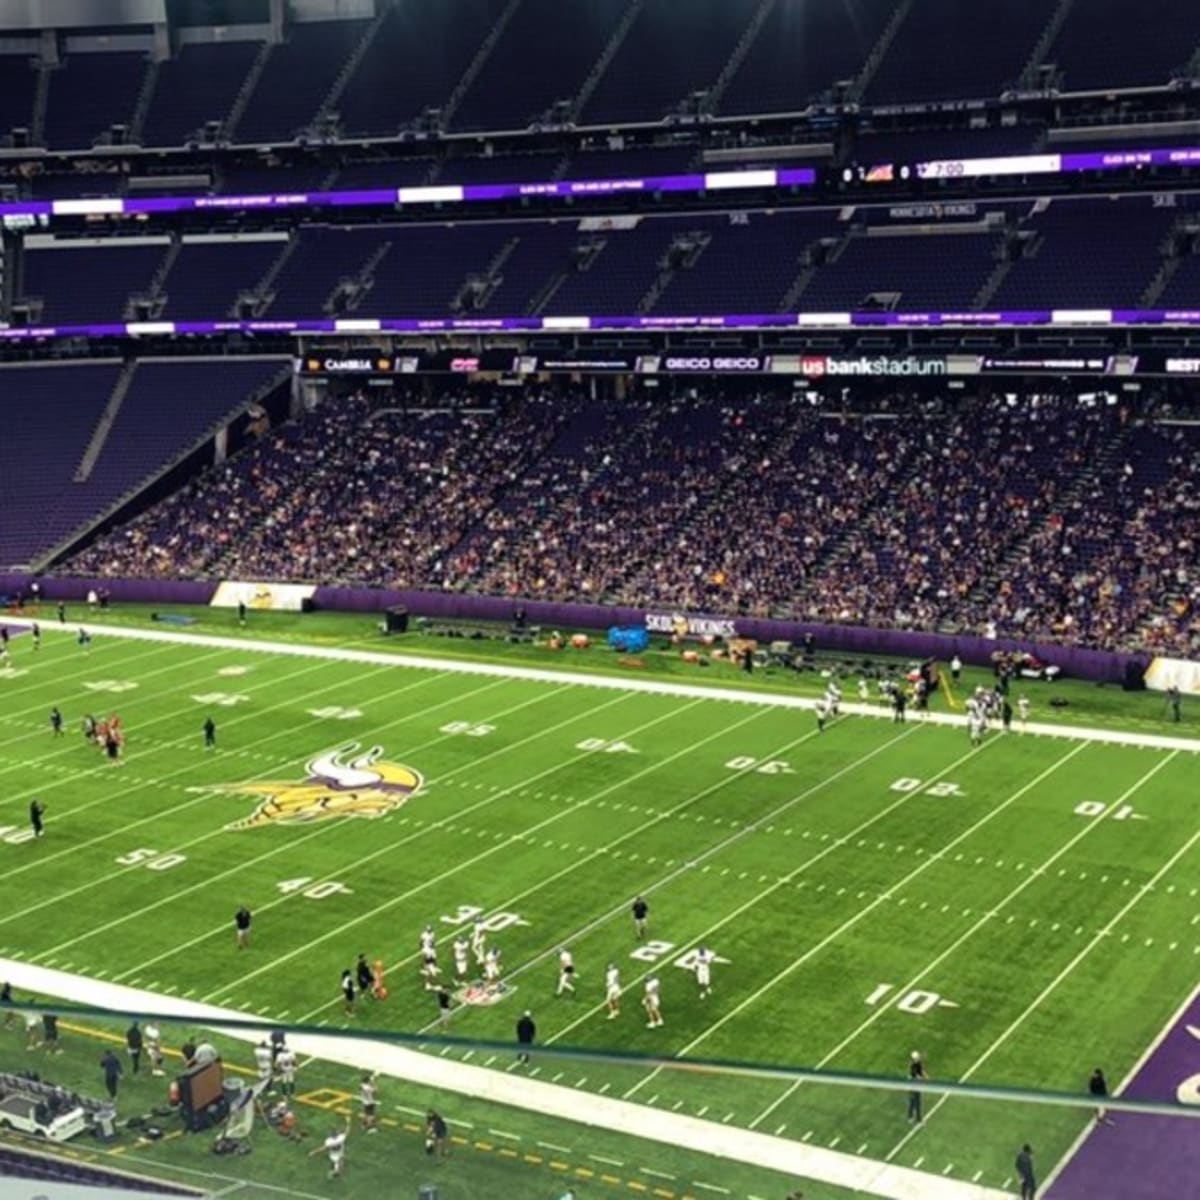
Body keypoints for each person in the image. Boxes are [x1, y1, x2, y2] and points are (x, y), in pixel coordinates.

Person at [907, 1051, 926, 1123]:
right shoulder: (913, 1067)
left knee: (917, 1102)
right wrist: (923, 1079)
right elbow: (917, 1076)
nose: (919, 1058)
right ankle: (911, 1117)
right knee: (913, 1102)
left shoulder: (918, 1064)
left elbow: (921, 1071)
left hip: (917, 1086)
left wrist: (925, 1076)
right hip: (913, 1086)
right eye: (917, 1057)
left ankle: (917, 1118)